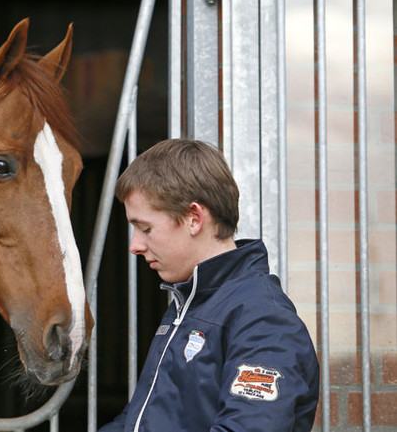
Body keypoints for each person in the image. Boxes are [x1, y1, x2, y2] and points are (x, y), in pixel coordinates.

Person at [100, 138, 319, 432]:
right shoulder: (190, 305)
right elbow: (141, 421)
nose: (135, 245)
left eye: (146, 228)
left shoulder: (263, 320)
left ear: (194, 218)